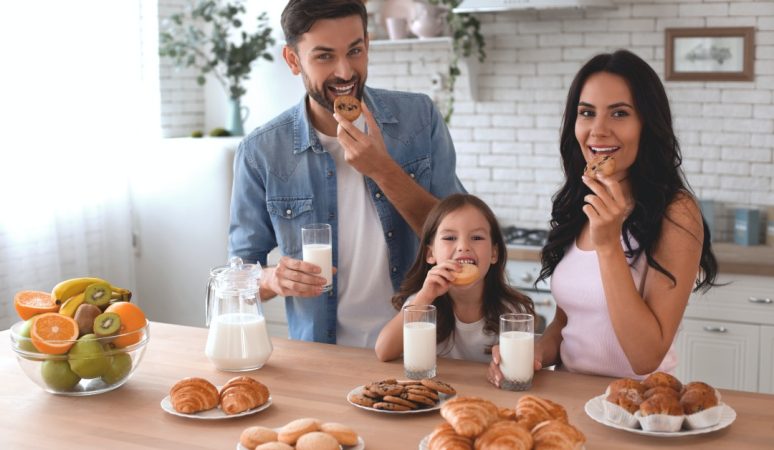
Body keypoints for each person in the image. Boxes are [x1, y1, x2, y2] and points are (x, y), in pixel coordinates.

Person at [228, 0, 465, 346]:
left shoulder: (420, 119)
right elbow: (236, 279)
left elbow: (462, 242)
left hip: (423, 349)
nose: (344, 72)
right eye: (324, 56)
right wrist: (270, 279)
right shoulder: (261, 152)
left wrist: (383, 169)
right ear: (293, 60)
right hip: (325, 358)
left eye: (354, 51)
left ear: (367, 45)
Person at [488, 49, 718, 384]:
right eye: (587, 113)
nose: (598, 130)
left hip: (637, 409)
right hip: (568, 398)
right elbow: (566, 324)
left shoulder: (676, 212)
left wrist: (609, 244)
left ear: (647, 124)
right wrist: (538, 350)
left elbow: (645, 357)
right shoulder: (581, 203)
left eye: (619, 114)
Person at [375, 194, 534, 363]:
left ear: (494, 253)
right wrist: (425, 297)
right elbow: (384, 351)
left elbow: (521, 368)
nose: (463, 247)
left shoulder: (512, 311)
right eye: (450, 238)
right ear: (431, 254)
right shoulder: (421, 304)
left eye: (477, 238)